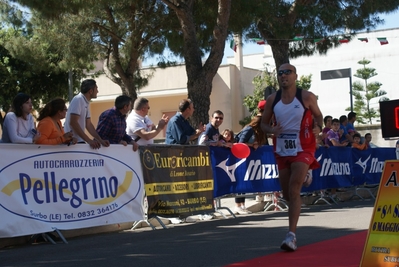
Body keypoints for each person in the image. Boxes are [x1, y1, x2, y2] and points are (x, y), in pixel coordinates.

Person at [261, 63, 323, 252]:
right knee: (288, 194)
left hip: (303, 147)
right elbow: (263, 124)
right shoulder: (273, 99)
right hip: (281, 149)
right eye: (280, 73)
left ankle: (291, 236)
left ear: (295, 76)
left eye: (288, 72)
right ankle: (306, 175)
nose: (283, 76)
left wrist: (318, 128)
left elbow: (319, 117)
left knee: (294, 189)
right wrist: (272, 129)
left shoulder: (306, 97)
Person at [234, 114, 269, 214]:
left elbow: (265, 144)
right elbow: (240, 143)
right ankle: (238, 205)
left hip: (253, 159)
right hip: (242, 158)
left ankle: (243, 205)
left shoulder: (261, 132)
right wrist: (252, 145)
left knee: (246, 181)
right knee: (241, 180)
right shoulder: (249, 129)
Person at [64, 79, 110, 149]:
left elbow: (88, 124)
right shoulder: (78, 99)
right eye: (96, 89)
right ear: (91, 91)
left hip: (79, 141)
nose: (98, 91)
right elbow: (73, 122)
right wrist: (89, 140)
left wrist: (100, 140)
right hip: (72, 142)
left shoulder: (86, 101)